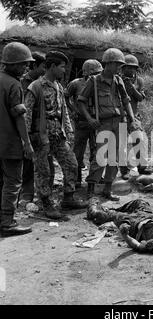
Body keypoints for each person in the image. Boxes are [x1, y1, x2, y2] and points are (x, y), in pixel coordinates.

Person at [24, 51, 88, 220]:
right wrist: (27, 140)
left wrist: (69, 131)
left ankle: (68, 198)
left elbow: (64, 111)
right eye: (61, 67)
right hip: (40, 135)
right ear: (52, 66)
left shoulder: (59, 86)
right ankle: (46, 203)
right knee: (43, 171)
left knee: (72, 164)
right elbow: (27, 114)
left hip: (57, 134)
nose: (64, 71)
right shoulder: (36, 87)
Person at [78, 48, 138, 201]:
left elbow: (126, 101)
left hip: (119, 121)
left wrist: (132, 118)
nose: (120, 68)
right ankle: (91, 190)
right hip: (103, 123)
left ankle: (107, 189)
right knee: (101, 155)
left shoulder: (118, 81)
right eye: (118, 64)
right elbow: (81, 101)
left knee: (116, 156)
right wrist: (90, 119)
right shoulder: (94, 81)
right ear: (108, 63)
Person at [0, 42, 34, 236]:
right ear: (11, 64)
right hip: (10, 143)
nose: (25, 68)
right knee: (13, 183)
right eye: (22, 64)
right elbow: (19, 117)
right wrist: (27, 144)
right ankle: (7, 223)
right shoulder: (14, 84)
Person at [19, 51, 56, 203]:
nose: (44, 69)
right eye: (42, 66)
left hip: (42, 129)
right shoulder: (23, 81)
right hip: (26, 126)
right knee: (27, 162)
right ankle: (27, 194)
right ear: (35, 65)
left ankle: (46, 193)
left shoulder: (46, 83)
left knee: (46, 162)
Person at [65, 59, 103, 188]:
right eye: (94, 73)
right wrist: (73, 110)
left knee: (96, 150)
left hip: (96, 122)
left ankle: (94, 178)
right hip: (81, 122)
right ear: (86, 73)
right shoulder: (75, 84)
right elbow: (65, 97)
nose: (97, 75)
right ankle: (76, 179)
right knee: (78, 152)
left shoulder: (99, 84)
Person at [120, 54, 152, 180]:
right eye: (127, 67)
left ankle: (141, 166)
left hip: (134, 116)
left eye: (133, 68)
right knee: (121, 143)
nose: (130, 70)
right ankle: (123, 170)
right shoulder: (117, 79)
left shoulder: (139, 81)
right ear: (123, 68)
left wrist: (132, 88)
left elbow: (140, 98)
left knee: (139, 138)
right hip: (120, 116)